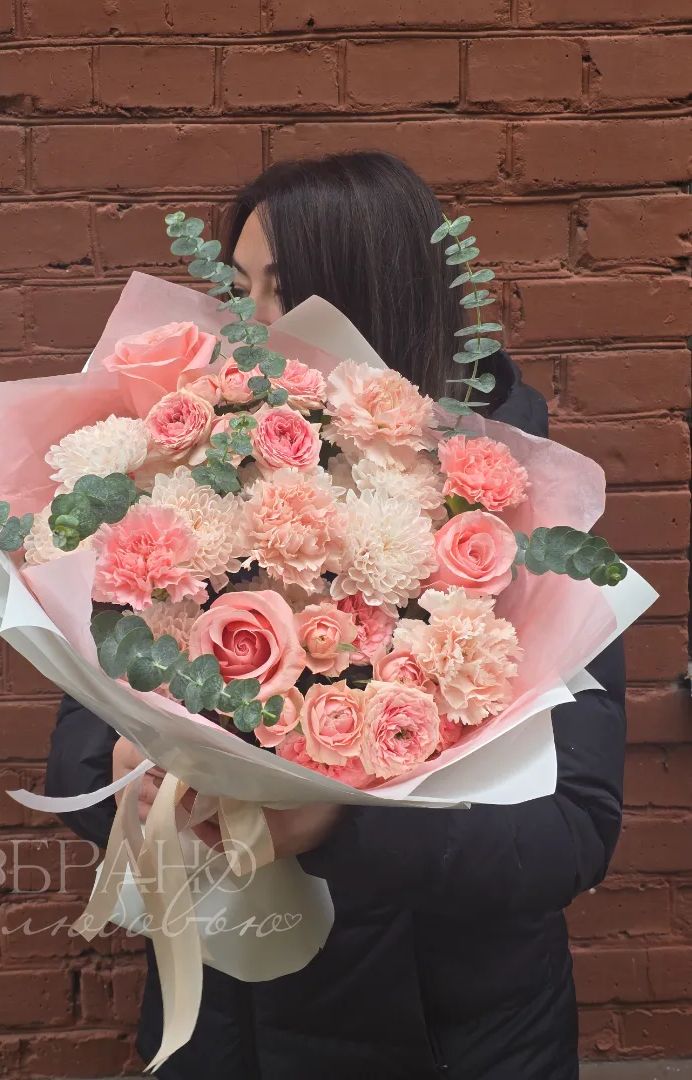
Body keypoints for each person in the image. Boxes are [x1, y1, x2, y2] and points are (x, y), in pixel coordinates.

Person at [46, 151, 626, 1080]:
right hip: (231, 1027)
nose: (248, 323)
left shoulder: (518, 521)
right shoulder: (192, 487)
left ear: (372, 296)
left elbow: (570, 834)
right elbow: (79, 736)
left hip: (447, 1036)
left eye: (281, 290)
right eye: (238, 289)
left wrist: (338, 826)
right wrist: (125, 774)